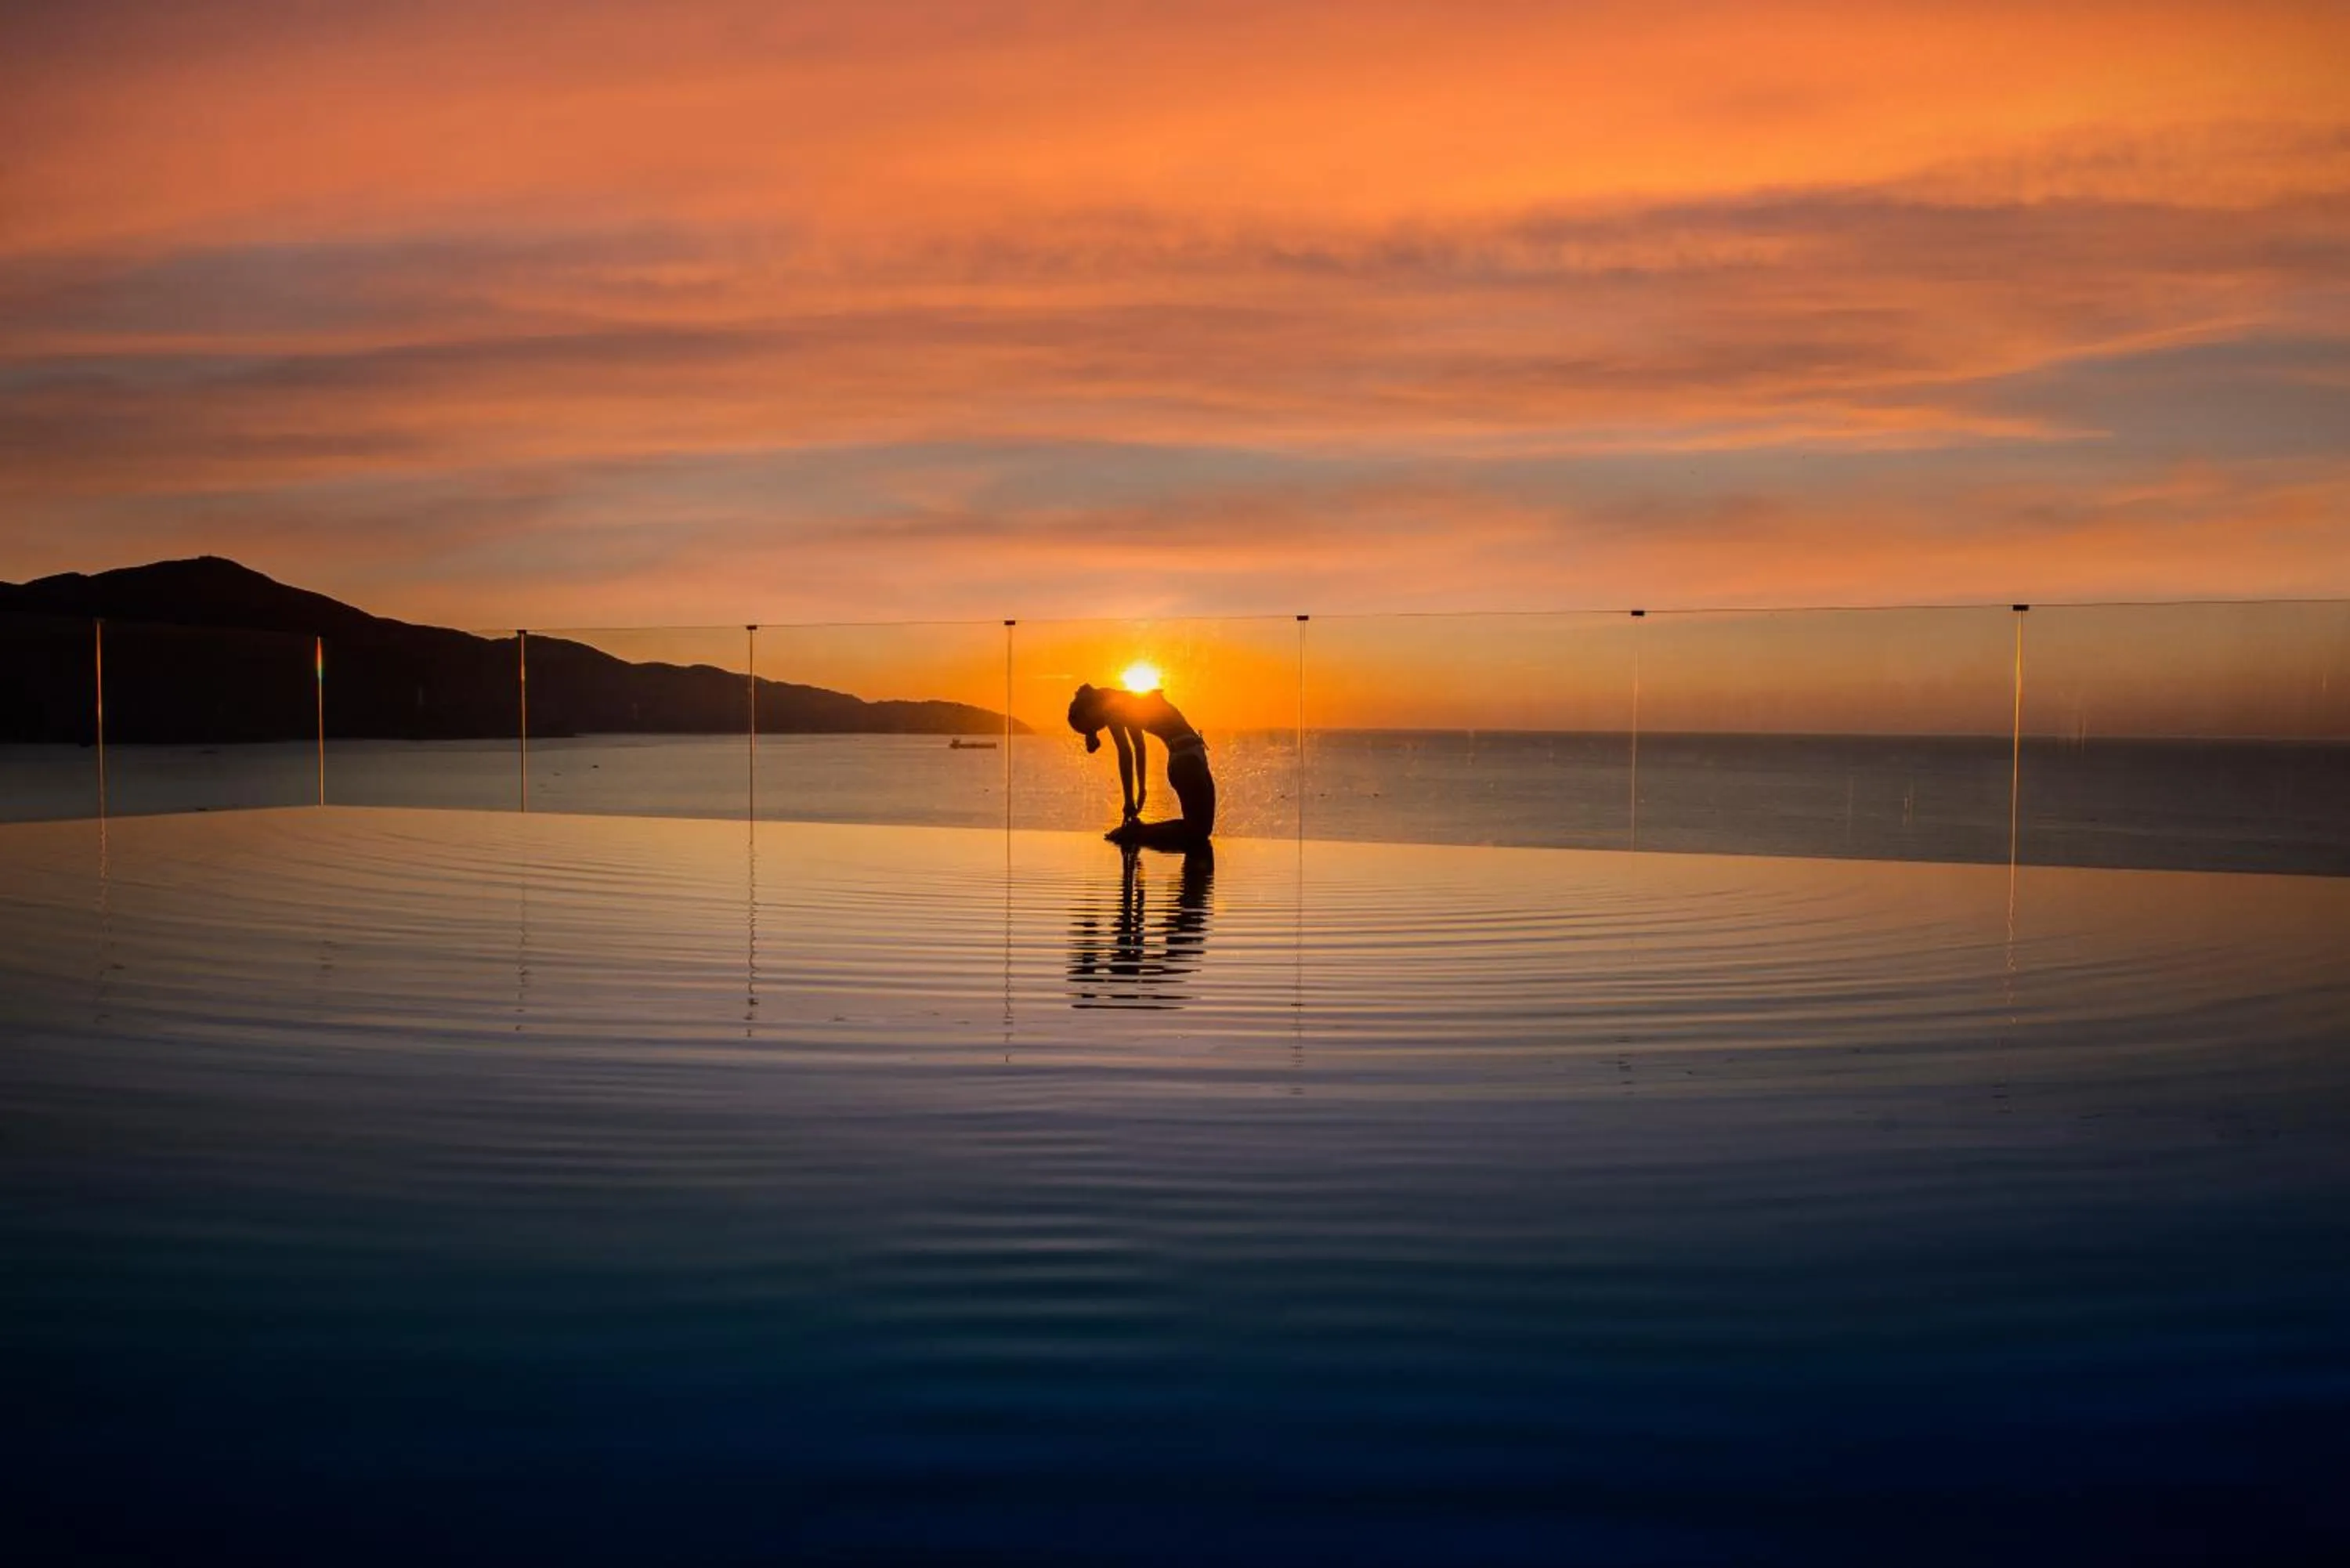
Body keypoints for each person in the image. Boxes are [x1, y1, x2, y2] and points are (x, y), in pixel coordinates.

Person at [1067, 681, 1216, 849]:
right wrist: (1130, 800)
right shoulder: (1113, 706)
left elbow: (1138, 747)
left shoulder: (1116, 704)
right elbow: (1125, 753)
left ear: (1090, 710)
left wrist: (1142, 790)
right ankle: (1134, 833)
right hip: (1185, 761)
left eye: (1091, 727)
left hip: (1190, 756)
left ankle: (1135, 832)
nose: (1097, 728)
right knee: (1196, 831)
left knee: (1201, 830)